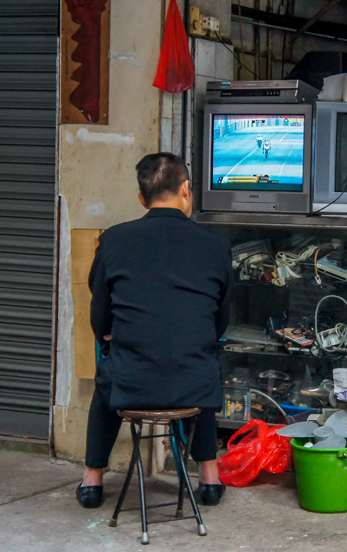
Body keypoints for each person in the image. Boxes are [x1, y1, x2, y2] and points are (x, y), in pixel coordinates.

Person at [76, 153, 235, 510]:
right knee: (202, 362)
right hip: (194, 384)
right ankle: (210, 479)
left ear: (141, 198)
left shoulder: (114, 240)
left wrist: (109, 337)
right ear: (185, 189)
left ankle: (91, 481)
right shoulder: (215, 244)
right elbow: (221, 315)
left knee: (108, 378)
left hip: (133, 384)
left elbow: (99, 310)